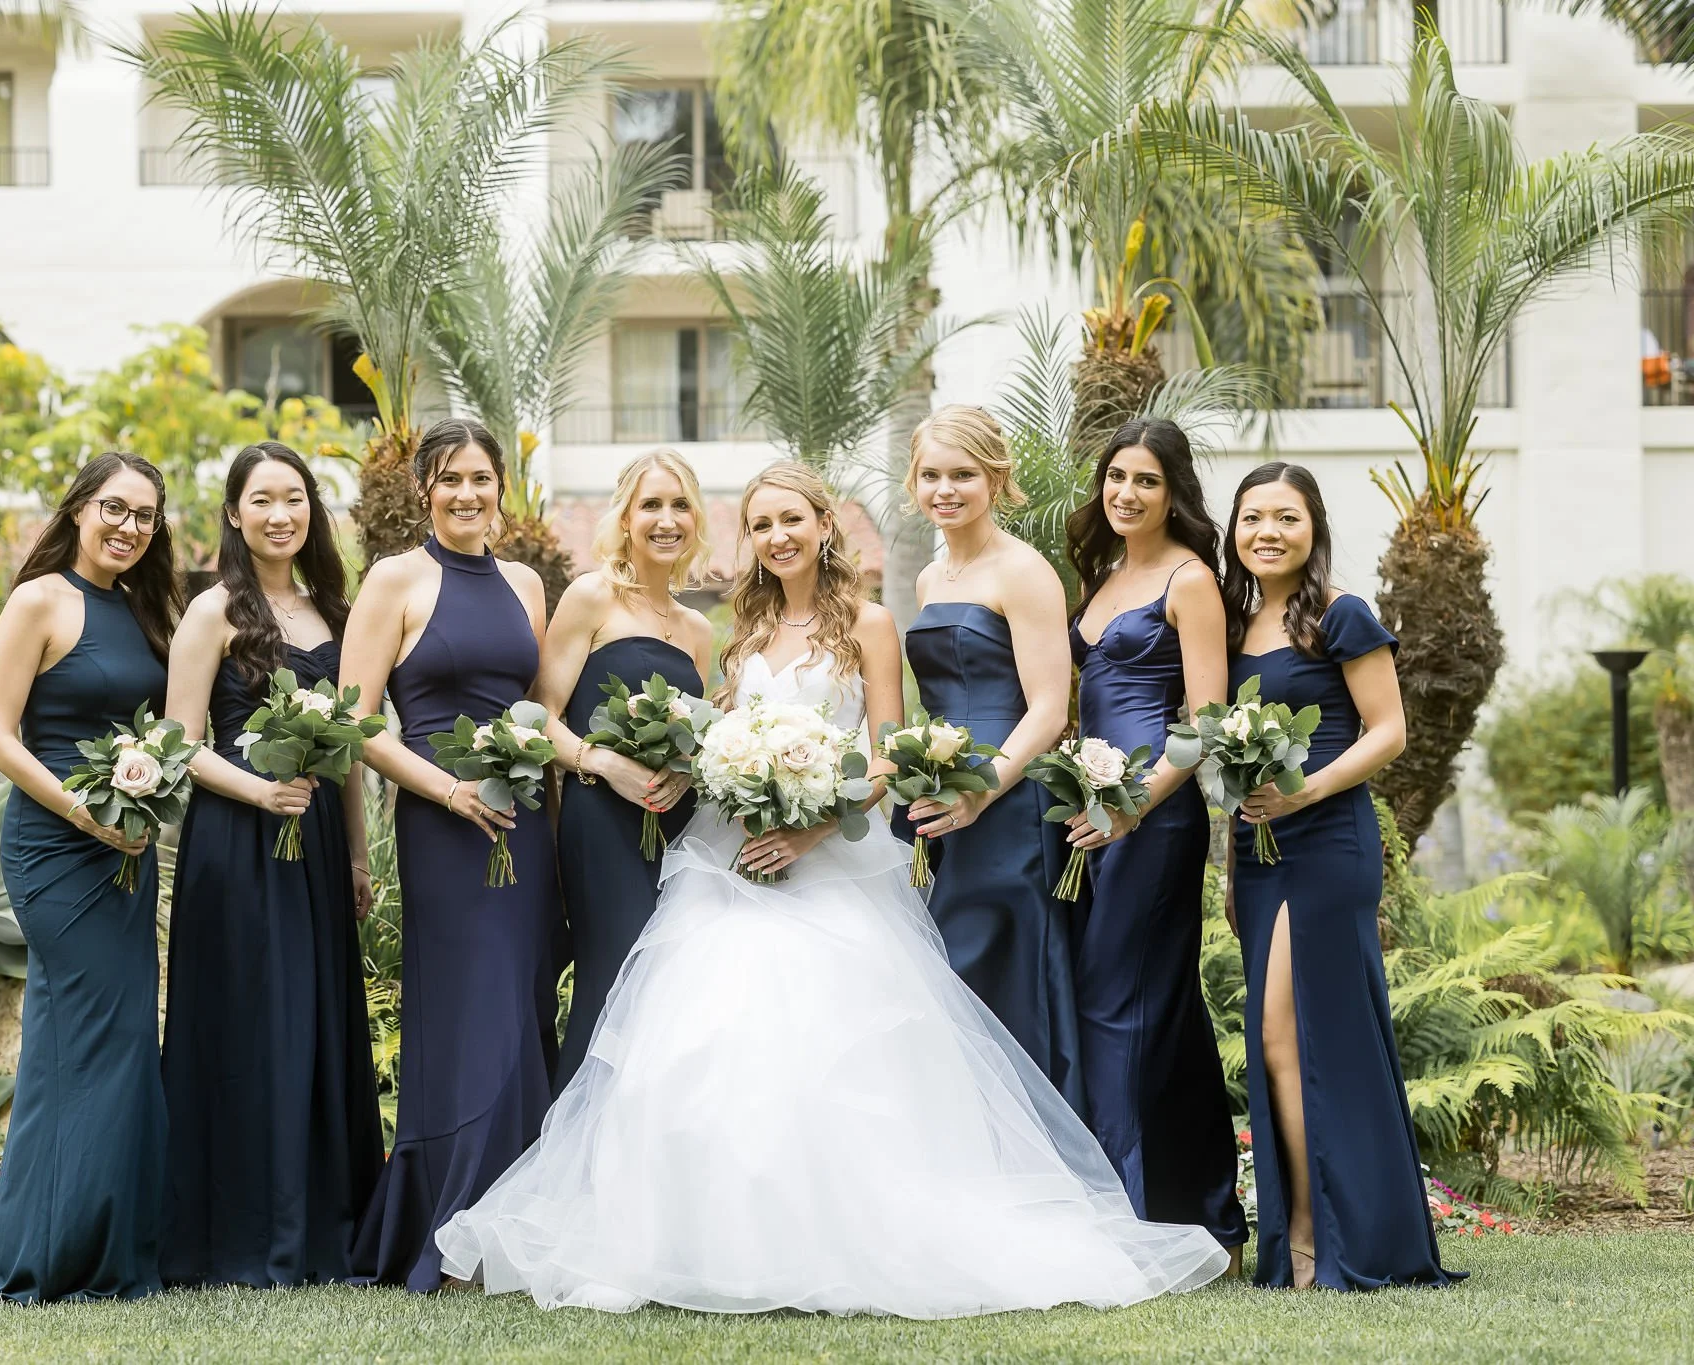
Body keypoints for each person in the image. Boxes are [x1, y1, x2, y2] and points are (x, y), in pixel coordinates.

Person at [435, 463, 1229, 1317]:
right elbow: (717, 739)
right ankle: (700, 1233)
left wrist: (813, 824)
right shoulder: (736, 633)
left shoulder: (873, 623)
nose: (778, 537)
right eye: (762, 524)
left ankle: (850, 1234)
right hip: (731, 857)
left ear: (823, 525)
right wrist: (742, 787)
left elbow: (886, 750)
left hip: (832, 859)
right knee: (701, 1037)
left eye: (792, 520)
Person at [0, 452, 181, 1303]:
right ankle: (54, 1253)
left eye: (145, 516)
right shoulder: (39, 599)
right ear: (78, 507)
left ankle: (100, 1246)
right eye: (114, 508)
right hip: (56, 847)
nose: (128, 527)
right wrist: (83, 813)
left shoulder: (145, 609)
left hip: (127, 844)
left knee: (100, 1043)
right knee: (90, 1040)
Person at [1223, 462, 1461, 1292]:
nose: (1268, 532)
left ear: (1313, 526)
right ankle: (1318, 1227)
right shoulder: (1231, 624)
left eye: (1286, 517)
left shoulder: (1341, 613)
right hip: (1256, 854)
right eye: (1253, 517)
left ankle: (1314, 1236)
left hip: (1327, 842)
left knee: (1294, 1035)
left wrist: (1304, 790)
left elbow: (1388, 729)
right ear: (1234, 530)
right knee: (1281, 1042)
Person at [340, 419, 562, 1292]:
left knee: (521, 1007)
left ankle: (516, 1224)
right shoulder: (395, 579)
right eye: (449, 479)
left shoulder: (525, 583)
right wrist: (446, 789)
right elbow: (356, 722)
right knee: (468, 1015)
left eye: (479, 478)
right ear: (424, 491)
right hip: (442, 823)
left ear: (499, 486)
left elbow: (538, 706)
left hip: (525, 825)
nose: (466, 493)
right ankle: (452, 1230)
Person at [159, 442, 382, 1288]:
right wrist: (259, 793)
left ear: (312, 512)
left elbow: (351, 749)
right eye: (262, 499)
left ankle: (324, 1223)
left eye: (294, 498)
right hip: (236, 845)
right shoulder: (211, 610)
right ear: (234, 513)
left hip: (318, 842)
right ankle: (239, 1235)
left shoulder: (337, 610)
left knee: (317, 1019)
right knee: (250, 1022)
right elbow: (179, 746)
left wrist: (358, 852)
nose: (280, 513)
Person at [1062, 418, 1246, 1268]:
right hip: (1088, 816)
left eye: (1145, 480)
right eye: (1116, 478)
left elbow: (1207, 722)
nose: (1126, 493)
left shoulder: (1189, 579)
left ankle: (1127, 1222)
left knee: (1118, 1004)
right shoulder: (1099, 576)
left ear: (1173, 491)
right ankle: (1199, 1210)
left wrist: (1132, 803)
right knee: (1148, 1011)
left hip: (1153, 817)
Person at [899, 406, 1080, 1107]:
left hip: (1008, 802)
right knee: (949, 978)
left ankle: (1033, 1154)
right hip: (942, 799)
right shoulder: (928, 578)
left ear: (996, 479)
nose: (946, 488)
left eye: (963, 474)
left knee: (1001, 973)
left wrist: (982, 789)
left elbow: (1049, 709)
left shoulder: (1024, 570)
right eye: (932, 474)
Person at [531, 449, 714, 1089]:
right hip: (601, 818)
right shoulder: (592, 597)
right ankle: (574, 1151)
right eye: (651, 505)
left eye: (680, 505)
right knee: (615, 973)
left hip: (678, 826)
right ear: (626, 518)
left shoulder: (697, 628)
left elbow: (699, 739)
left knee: (671, 984)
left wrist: (688, 772)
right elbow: (541, 716)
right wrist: (604, 763)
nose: (667, 520)